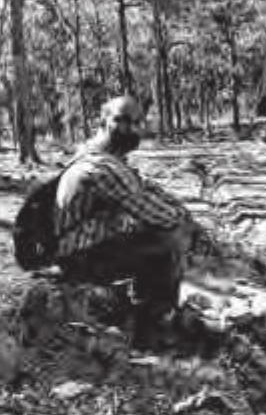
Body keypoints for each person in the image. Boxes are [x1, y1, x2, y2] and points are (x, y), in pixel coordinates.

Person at [53, 95, 195, 348]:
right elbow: (157, 214)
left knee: (151, 234)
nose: (130, 128)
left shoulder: (91, 153)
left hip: (77, 246)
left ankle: (139, 309)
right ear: (103, 121)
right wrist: (184, 219)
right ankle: (153, 334)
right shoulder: (103, 167)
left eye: (137, 122)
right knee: (168, 242)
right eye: (122, 120)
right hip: (79, 258)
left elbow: (145, 189)